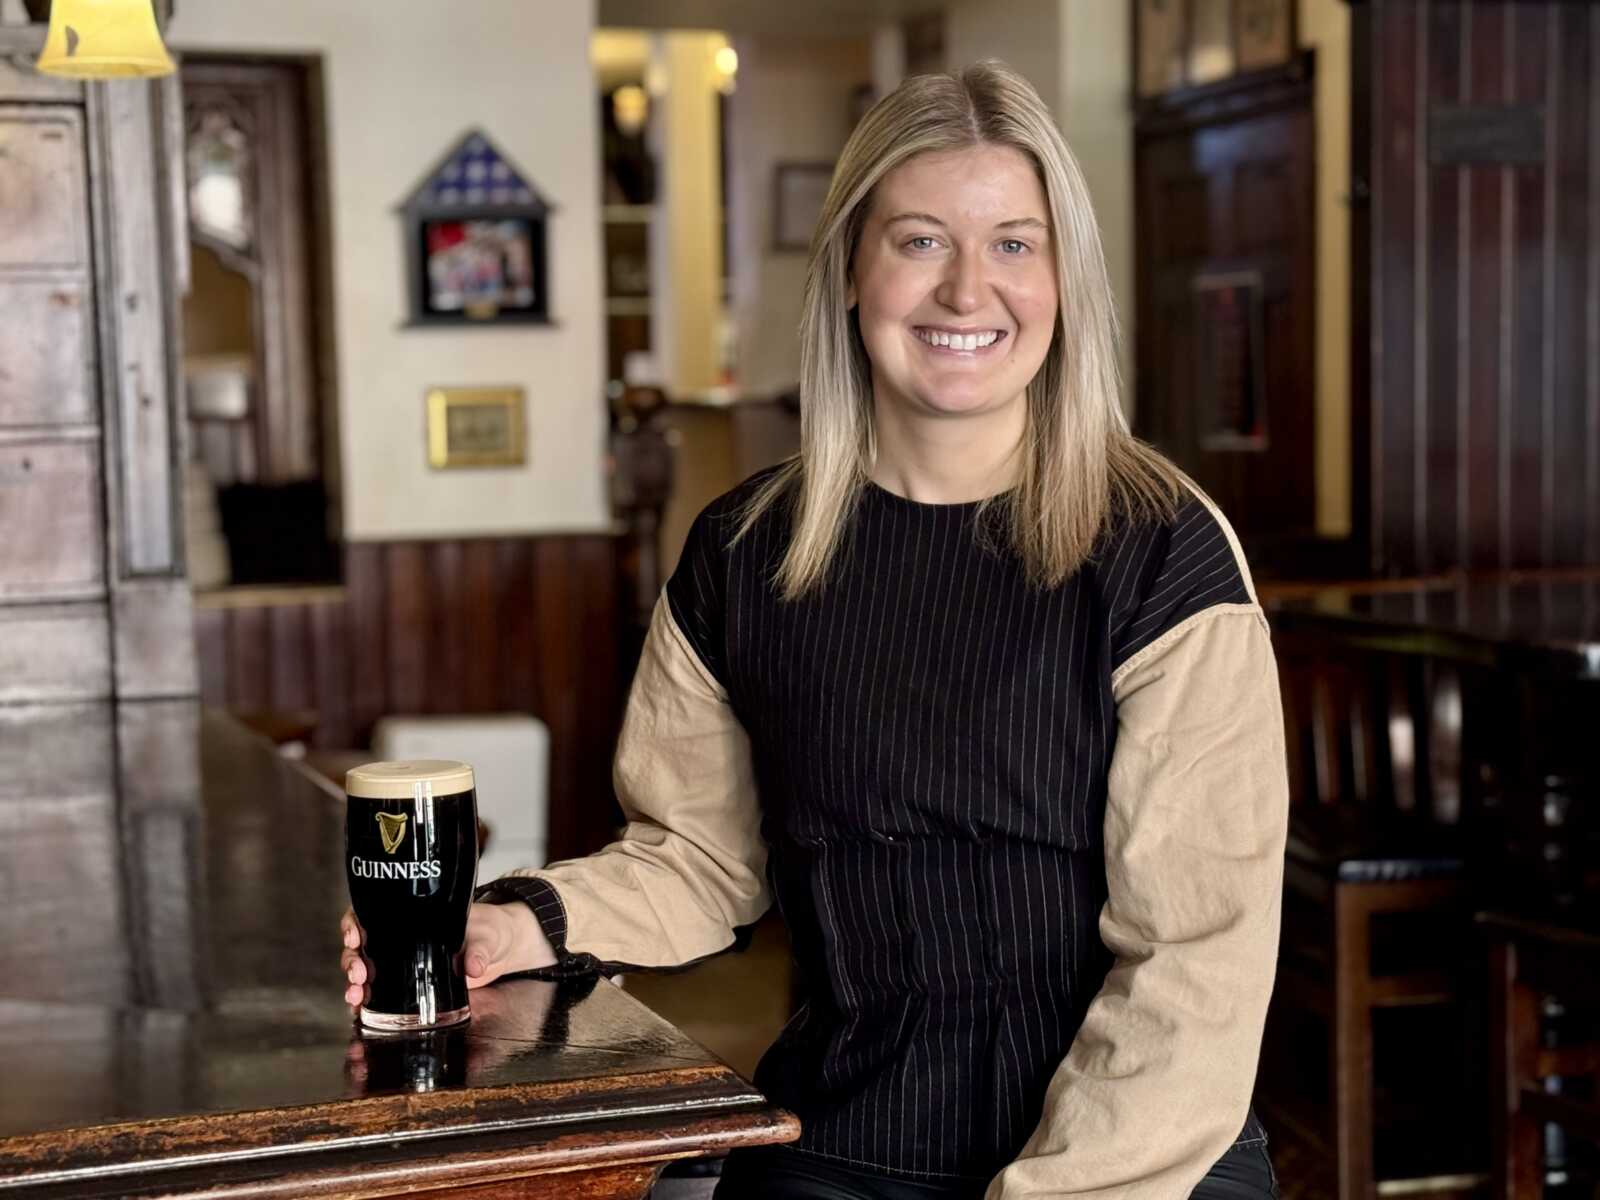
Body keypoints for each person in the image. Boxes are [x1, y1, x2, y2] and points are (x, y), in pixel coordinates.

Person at [341, 61, 1288, 1200]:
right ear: (849, 268)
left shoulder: (1161, 550)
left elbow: (1197, 955)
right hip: (843, 1138)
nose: (967, 291)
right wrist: (519, 925)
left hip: (1140, 1161)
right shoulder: (745, 552)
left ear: (1064, 280)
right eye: (921, 241)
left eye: (1014, 244)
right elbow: (701, 857)